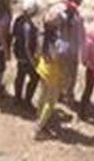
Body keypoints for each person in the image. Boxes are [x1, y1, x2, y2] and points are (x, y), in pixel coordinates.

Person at [33, 8, 66, 139]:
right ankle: (39, 128)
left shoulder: (41, 35)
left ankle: (38, 116)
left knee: (42, 94)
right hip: (52, 72)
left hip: (42, 68)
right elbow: (56, 57)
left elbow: (38, 52)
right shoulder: (57, 41)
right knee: (51, 101)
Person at [11, 0, 40, 109]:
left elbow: (14, 35)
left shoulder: (18, 20)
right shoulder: (28, 26)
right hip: (26, 56)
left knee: (20, 76)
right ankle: (27, 101)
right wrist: (33, 61)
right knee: (34, 77)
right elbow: (27, 46)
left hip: (18, 53)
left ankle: (17, 98)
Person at [58, 0, 85, 104]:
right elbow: (81, 37)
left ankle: (58, 94)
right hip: (72, 50)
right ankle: (69, 96)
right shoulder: (78, 19)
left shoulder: (60, 14)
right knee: (72, 75)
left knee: (60, 72)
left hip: (60, 48)